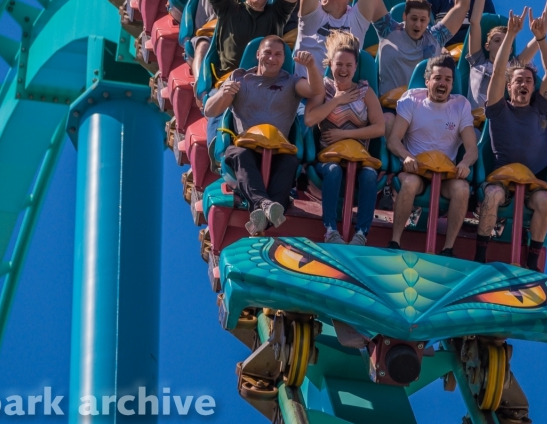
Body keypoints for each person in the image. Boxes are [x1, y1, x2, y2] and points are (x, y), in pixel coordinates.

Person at [476, 6, 547, 270]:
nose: (524, 84)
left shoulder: (541, 109)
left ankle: (532, 262)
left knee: (545, 200)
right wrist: (510, 37)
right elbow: (498, 70)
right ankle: (480, 256)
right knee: (492, 195)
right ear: (509, 86)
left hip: (531, 181)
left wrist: (541, 39)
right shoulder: (498, 108)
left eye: (528, 80)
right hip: (501, 179)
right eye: (519, 81)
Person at [204, 38, 324, 234]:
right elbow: (210, 110)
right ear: (258, 54)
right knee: (239, 154)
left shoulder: (291, 81)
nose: (272, 58)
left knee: (290, 162)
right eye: (267, 53)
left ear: (284, 59)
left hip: (280, 150)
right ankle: (266, 206)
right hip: (246, 148)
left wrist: (310, 66)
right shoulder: (240, 79)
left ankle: (261, 212)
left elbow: (315, 90)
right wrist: (222, 93)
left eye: (278, 54)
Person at [386, 53, 478, 256]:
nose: (442, 83)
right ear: (427, 81)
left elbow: (472, 148)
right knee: (409, 184)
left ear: (452, 84)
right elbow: (393, 140)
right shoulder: (412, 100)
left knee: (462, 188)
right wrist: (406, 156)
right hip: (416, 169)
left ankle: (448, 248)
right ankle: (395, 241)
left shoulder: (460, 105)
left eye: (448, 79)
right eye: (437, 78)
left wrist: (464, 163)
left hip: (445, 174)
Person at [304, 32, 385, 245]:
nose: (343, 70)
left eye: (349, 65)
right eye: (339, 64)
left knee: (369, 175)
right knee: (333, 171)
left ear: (356, 67)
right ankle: (331, 230)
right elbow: (310, 119)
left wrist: (345, 134)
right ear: (330, 64)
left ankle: (361, 234)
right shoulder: (324, 88)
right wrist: (336, 101)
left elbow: (379, 127)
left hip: (359, 158)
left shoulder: (365, 91)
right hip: (328, 156)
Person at [368, 0, 474, 100]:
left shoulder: (436, 36)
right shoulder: (388, 29)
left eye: (423, 20)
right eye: (413, 18)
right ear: (404, 16)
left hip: (423, 108)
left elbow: (461, 6)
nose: (418, 24)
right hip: (391, 106)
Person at [464, 0, 547, 109]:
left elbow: (539, 37)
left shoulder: (512, 67)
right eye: (497, 41)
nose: (501, 45)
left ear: (509, 49)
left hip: (497, 117)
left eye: (505, 42)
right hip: (474, 119)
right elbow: (475, 22)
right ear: (487, 46)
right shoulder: (478, 61)